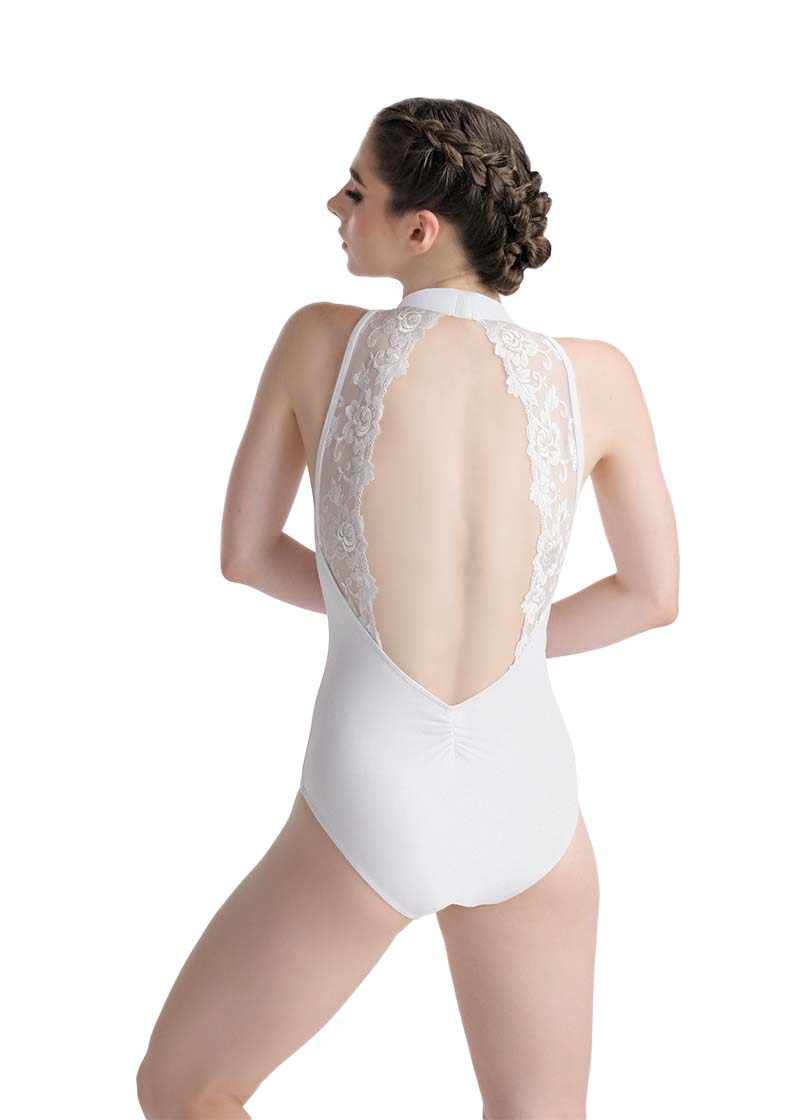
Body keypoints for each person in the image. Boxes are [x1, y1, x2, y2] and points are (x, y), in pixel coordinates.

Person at [136, 97, 679, 1120]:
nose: (335, 207)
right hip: (531, 786)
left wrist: (372, 615)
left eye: (356, 191)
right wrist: (514, 646)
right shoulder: (598, 375)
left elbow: (245, 555)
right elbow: (652, 597)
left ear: (419, 227)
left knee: (186, 1086)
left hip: (375, 783)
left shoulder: (319, 341)